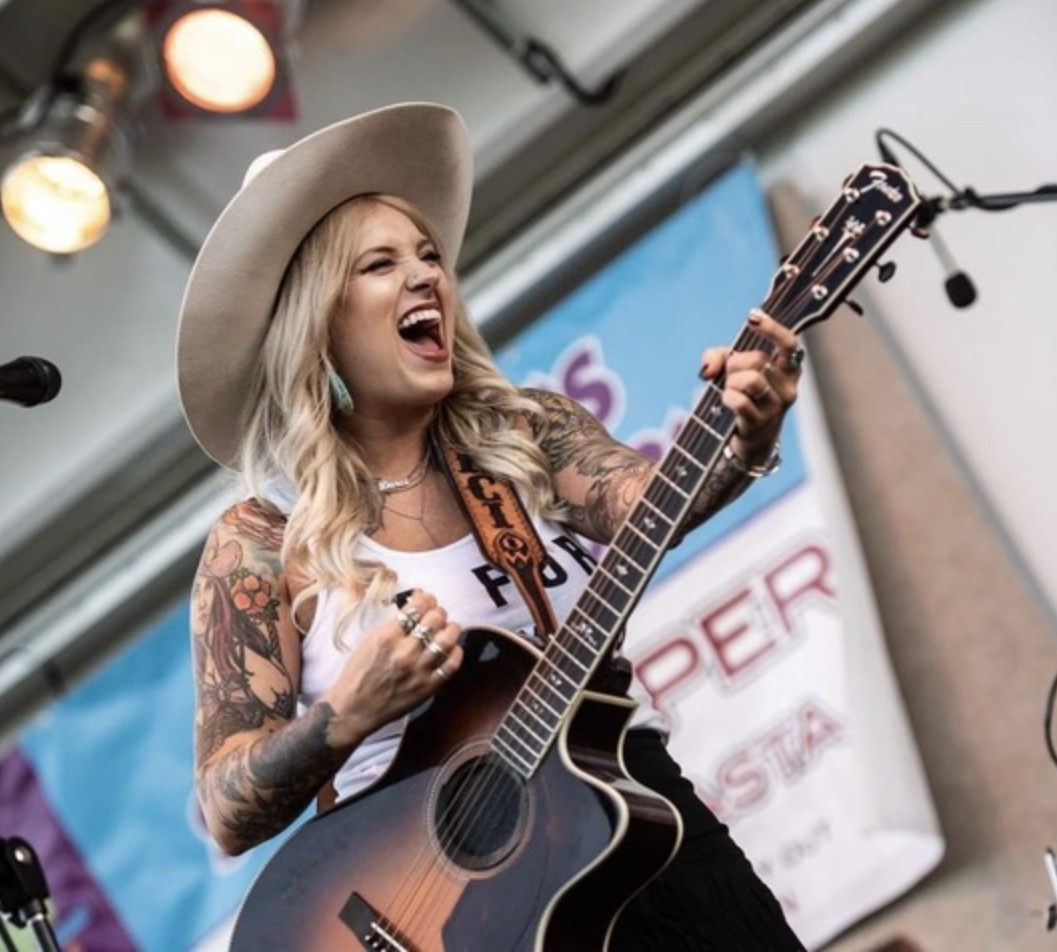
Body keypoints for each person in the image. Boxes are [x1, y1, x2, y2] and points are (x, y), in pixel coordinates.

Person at [178, 102, 807, 950]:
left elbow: (651, 502)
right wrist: (348, 712)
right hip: (437, 918)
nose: (424, 276)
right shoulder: (261, 540)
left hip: (634, 826)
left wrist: (741, 439)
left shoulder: (524, 432)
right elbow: (226, 808)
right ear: (316, 325)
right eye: (380, 265)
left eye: (429, 256)